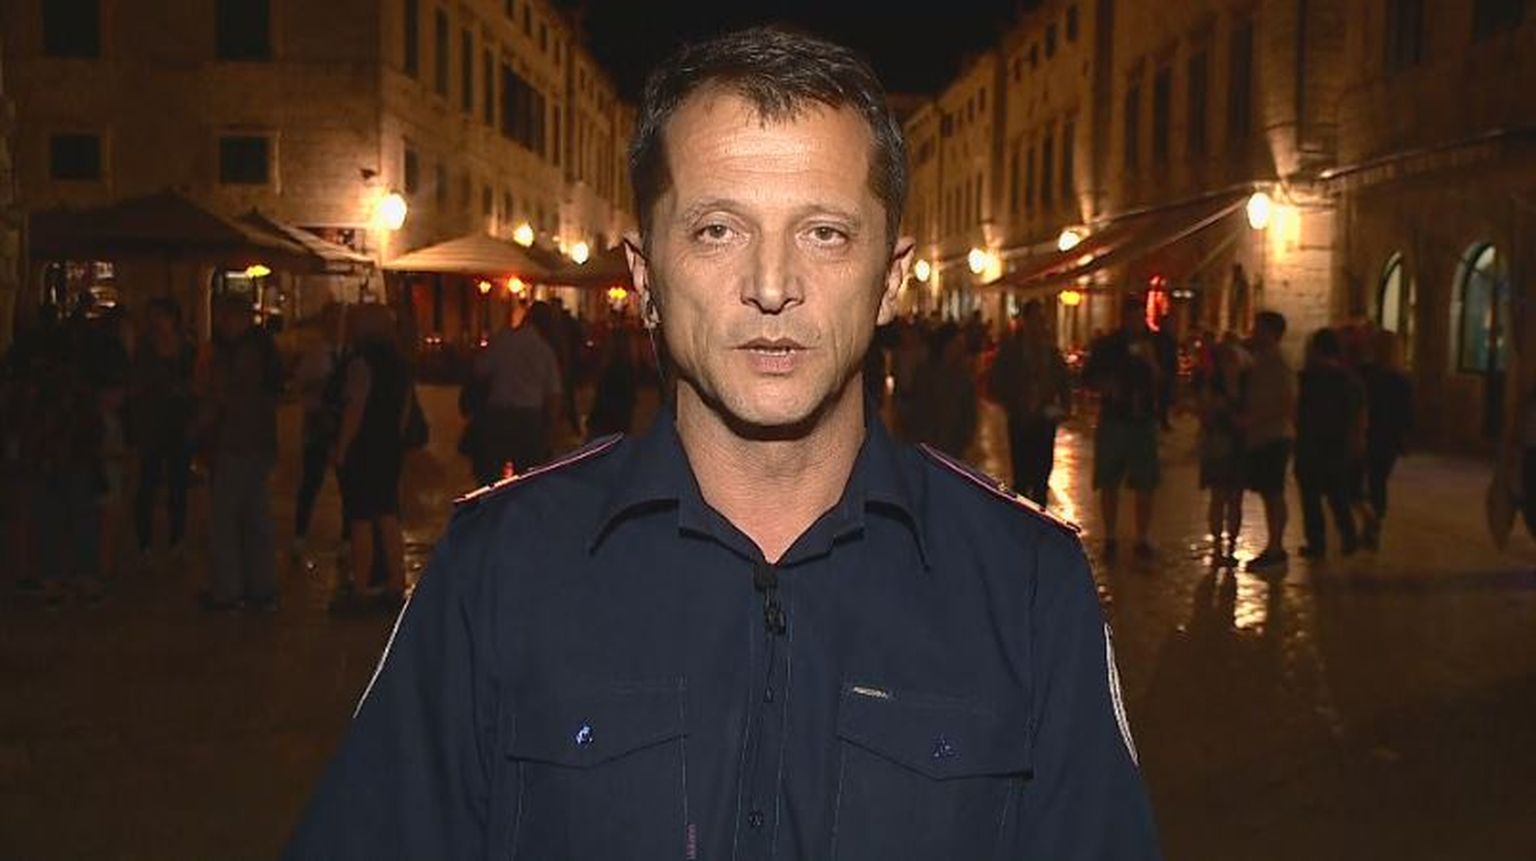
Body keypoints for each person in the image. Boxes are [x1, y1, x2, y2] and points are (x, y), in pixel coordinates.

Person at [286, 27, 1159, 859]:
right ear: (645, 278)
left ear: (891, 279)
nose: (772, 285)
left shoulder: (1027, 586)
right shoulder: (498, 568)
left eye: (825, 233)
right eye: (717, 230)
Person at [197, 295, 282, 611]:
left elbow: (224, 394)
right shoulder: (262, 349)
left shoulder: (240, 353)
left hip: (236, 441)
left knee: (227, 518)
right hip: (256, 442)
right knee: (254, 517)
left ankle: (229, 589)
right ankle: (260, 587)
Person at [330, 304, 411, 610]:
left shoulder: (361, 362)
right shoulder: (399, 363)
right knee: (388, 514)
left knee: (361, 516)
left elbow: (356, 407)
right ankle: (396, 581)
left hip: (363, 447)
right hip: (388, 446)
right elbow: (405, 410)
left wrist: (342, 447)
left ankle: (362, 585)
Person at [1083, 296, 1164, 559]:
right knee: (1109, 480)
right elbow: (1089, 376)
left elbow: (1166, 380)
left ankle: (1143, 536)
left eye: (1139, 317)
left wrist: (1152, 363)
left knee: (1146, 482)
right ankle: (1110, 536)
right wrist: (1106, 386)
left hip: (1143, 419)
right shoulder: (1108, 345)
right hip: (1115, 418)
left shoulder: (1156, 343)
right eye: (1132, 318)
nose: (1136, 323)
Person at [467, 299, 563, 484]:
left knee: (491, 477)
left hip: (498, 414)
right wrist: (551, 430)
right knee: (527, 480)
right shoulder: (544, 350)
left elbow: (479, 371)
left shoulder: (503, 340)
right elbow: (554, 395)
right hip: (529, 418)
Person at [129, 298, 196, 563]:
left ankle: (177, 539)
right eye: (153, 317)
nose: (157, 322)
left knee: (178, 485)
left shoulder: (187, 350)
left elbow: (196, 383)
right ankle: (144, 541)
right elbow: (137, 383)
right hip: (152, 424)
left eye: (161, 316)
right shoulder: (145, 350)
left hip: (179, 423)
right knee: (148, 483)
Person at [989, 299, 1070, 506]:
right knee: (1022, 476)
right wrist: (1013, 402)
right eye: (1035, 319)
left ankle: (1038, 517)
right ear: (1025, 321)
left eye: (1041, 319)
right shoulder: (1011, 351)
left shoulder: (1050, 351)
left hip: (1044, 420)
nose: (1038, 324)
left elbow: (1063, 380)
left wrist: (1063, 407)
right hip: (1021, 419)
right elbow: (996, 381)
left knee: (1042, 477)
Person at [1294, 328, 1363, 559]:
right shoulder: (1349, 379)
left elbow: (1298, 409)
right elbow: (1358, 413)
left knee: (1311, 498)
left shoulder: (1308, 378)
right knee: (1338, 494)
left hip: (1311, 442)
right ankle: (1348, 536)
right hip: (1337, 444)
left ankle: (1317, 543)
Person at [1242, 310, 1295, 573]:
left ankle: (1276, 547)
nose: (1254, 332)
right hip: (1263, 435)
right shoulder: (1262, 359)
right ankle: (1273, 545)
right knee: (1268, 493)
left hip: (1273, 435)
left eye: (1259, 328)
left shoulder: (1278, 362)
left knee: (1274, 493)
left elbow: (1287, 401)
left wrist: (1256, 419)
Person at [292, 303, 345, 557]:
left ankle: (347, 537)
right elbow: (300, 383)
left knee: (348, 484)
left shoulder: (347, 353)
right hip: (319, 423)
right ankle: (300, 534)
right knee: (311, 481)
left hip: (342, 423)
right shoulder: (317, 353)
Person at [1358, 330, 1413, 549]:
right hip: (1389, 438)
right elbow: (1407, 414)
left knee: (1357, 481)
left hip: (1369, 434)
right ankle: (1374, 522)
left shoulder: (1367, 375)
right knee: (1378, 482)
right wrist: (1404, 438)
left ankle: (1370, 521)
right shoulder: (1402, 380)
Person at [1196, 338, 1248, 565]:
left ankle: (1232, 546)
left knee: (1235, 499)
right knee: (1218, 498)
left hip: (1238, 445)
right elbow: (1205, 415)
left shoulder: (1247, 387)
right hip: (1217, 445)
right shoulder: (1212, 386)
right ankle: (1218, 546)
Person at [908, 321, 978, 459]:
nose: (960, 348)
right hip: (927, 445)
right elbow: (917, 408)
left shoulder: (963, 377)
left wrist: (965, 437)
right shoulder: (925, 373)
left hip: (953, 447)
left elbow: (969, 413)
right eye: (956, 343)